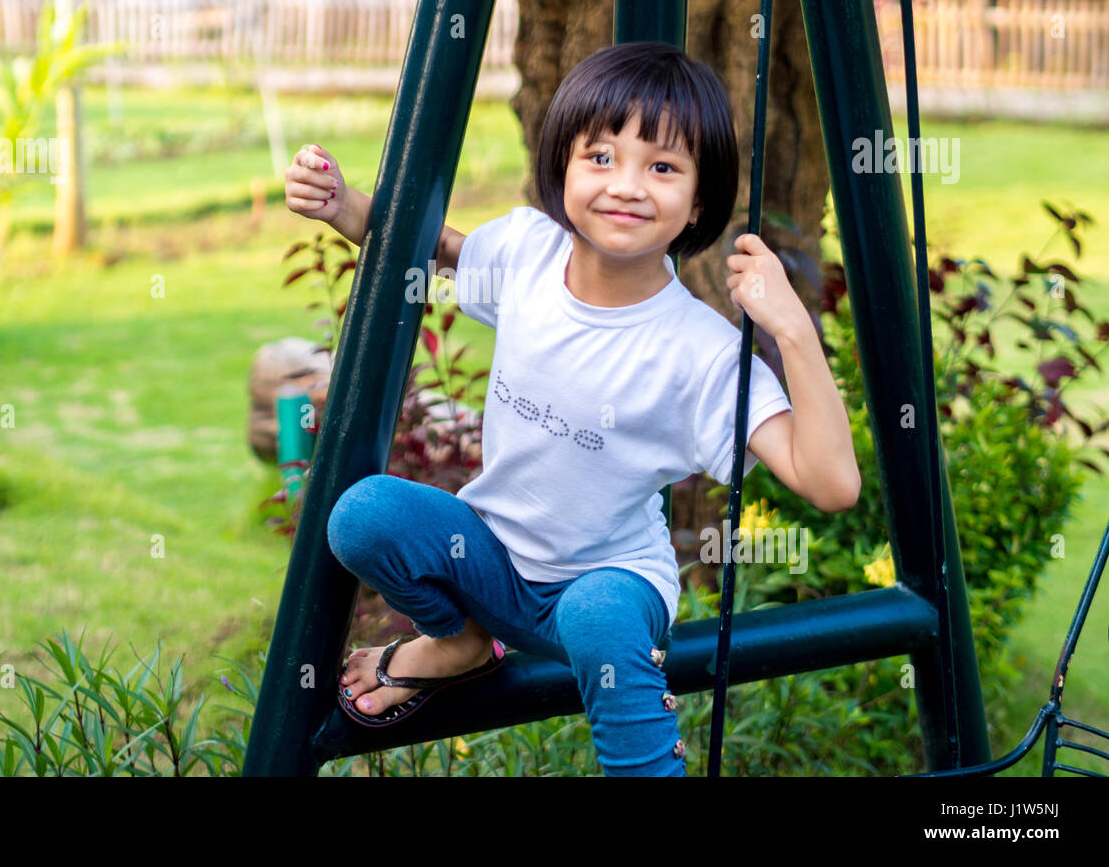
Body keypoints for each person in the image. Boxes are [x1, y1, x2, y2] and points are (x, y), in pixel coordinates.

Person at [283, 40, 861, 776]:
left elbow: (831, 482)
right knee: (363, 514)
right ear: (563, 166)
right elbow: (448, 247)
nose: (626, 185)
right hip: (489, 565)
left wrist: (792, 329)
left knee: (596, 617)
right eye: (601, 157)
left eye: (662, 166)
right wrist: (349, 209)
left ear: (701, 200)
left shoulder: (700, 353)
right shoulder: (528, 251)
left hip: (606, 586)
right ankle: (458, 641)